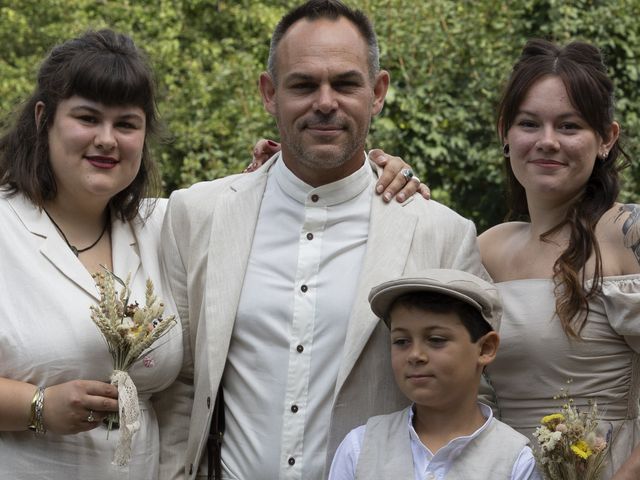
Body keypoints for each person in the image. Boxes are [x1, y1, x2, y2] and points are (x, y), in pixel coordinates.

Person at [161, 1, 487, 479]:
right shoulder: (198, 215)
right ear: (269, 93)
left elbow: (473, 395)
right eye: (303, 84)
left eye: (346, 83)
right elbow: (180, 383)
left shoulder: (440, 233)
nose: (326, 101)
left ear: (377, 92)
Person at [0, 29, 190, 479]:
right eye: (88, 118)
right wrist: (38, 405)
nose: (107, 139)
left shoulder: (163, 227)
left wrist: (383, 171)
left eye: (126, 124)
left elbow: (255, 200)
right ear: (44, 118)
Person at [478, 39, 640, 479]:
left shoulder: (626, 234)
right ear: (505, 135)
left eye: (569, 126)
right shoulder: (485, 249)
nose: (547, 142)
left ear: (606, 138)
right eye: (529, 124)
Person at [329, 268, 540, 480]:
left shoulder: (516, 461)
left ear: (485, 348)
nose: (415, 355)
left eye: (436, 340)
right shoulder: (359, 448)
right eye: (401, 341)